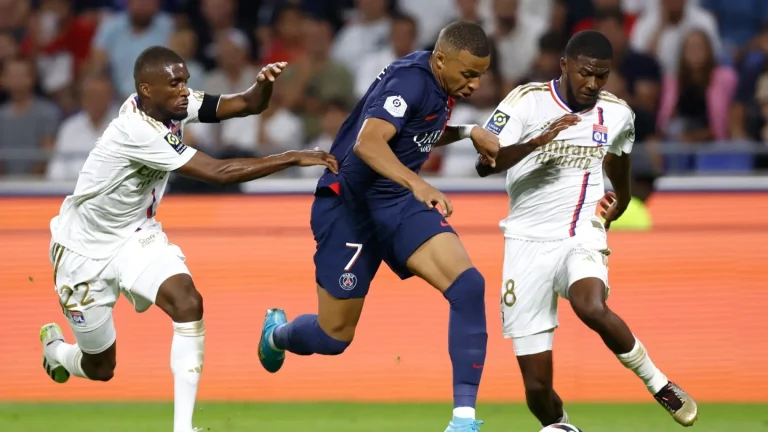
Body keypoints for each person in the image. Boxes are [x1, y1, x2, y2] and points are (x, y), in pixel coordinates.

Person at [39, 46, 337, 432]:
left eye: (185, 82)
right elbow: (219, 172)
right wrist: (292, 157)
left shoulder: (172, 105)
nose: (184, 91)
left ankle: (183, 427)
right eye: (175, 83)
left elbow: (247, 104)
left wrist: (262, 85)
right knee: (101, 368)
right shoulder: (136, 130)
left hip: (135, 236)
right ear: (146, 89)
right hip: (82, 250)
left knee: (187, 302)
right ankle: (57, 352)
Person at [257, 21, 499, 432]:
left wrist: (467, 132)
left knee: (468, 286)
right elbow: (368, 143)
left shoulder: (441, 82)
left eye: (480, 75)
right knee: (333, 337)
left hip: (397, 203)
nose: (475, 84)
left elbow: (418, 131)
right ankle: (277, 334)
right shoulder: (410, 81)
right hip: (349, 207)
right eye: (468, 74)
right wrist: (418, 183)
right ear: (441, 59)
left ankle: (463, 421)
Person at [475, 30, 698, 428]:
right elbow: (484, 164)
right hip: (525, 243)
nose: (593, 83)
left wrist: (623, 200)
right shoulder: (526, 101)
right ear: (564, 65)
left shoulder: (617, 113)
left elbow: (619, 157)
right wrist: (537, 142)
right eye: (585, 73)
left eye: (602, 75)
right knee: (537, 389)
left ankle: (660, 384)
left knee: (590, 305)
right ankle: (562, 425)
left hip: (579, 232)